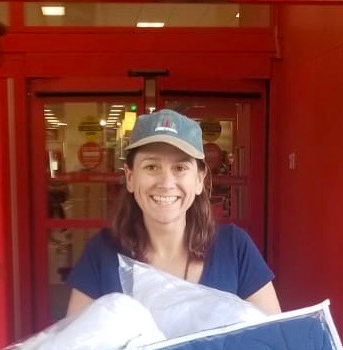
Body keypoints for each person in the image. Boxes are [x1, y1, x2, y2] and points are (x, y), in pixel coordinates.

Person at [66, 109, 281, 316]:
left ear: (199, 180)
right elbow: (78, 348)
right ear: (130, 177)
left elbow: (275, 339)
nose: (166, 183)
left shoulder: (234, 249)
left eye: (180, 168)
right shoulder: (101, 254)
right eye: (152, 167)